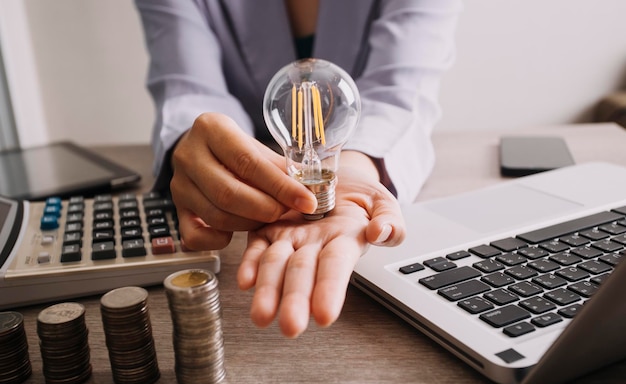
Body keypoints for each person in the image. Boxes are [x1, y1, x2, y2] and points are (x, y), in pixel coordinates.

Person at [134, 0, 461, 338]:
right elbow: (188, 88)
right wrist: (205, 155)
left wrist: (356, 169)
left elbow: (399, 91)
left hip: (339, 162)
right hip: (262, 195)